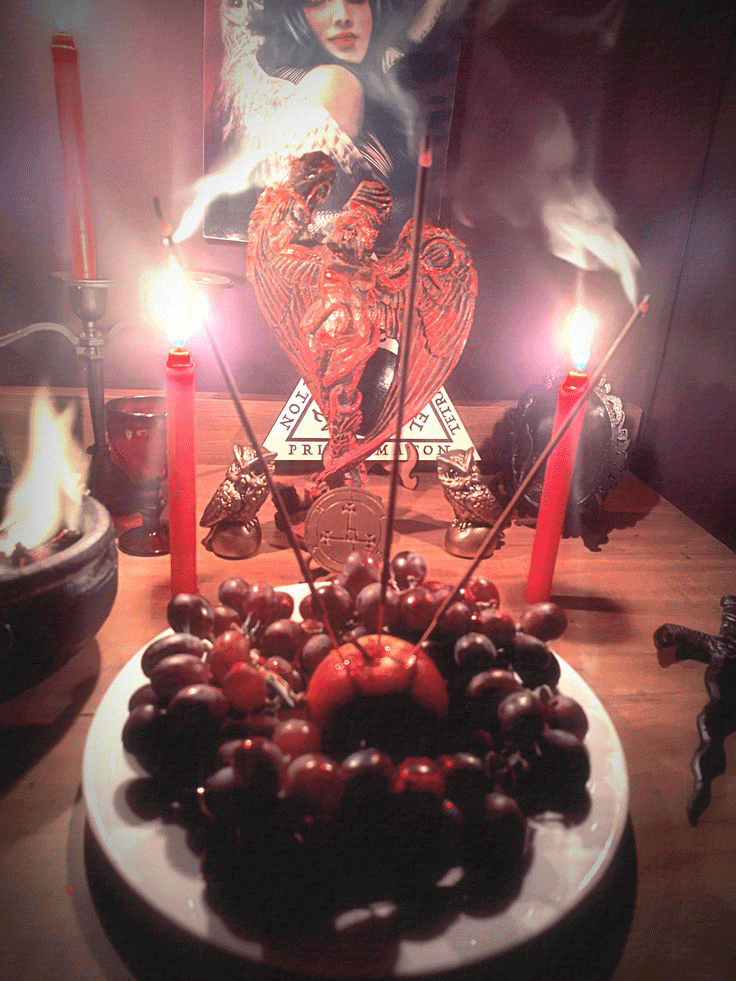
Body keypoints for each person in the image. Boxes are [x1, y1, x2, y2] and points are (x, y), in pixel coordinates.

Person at [200, 0, 445, 244]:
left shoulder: (367, 80)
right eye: (316, 2)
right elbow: (311, 236)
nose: (342, 16)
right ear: (292, 13)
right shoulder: (332, 84)